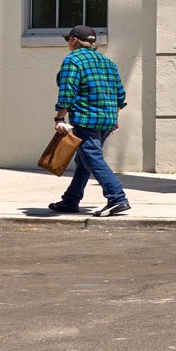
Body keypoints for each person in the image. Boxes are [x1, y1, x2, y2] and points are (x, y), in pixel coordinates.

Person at [47, 24, 130, 217]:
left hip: (86, 119)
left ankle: (117, 197)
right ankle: (70, 200)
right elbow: (120, 96)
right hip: (107, 120)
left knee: (92, 158)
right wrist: (114, 117)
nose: (68, 43)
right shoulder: (107, 62)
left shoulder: (73, 61)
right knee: (84, 160)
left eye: (68, 39)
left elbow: (67, 94)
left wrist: (59, 117)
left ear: (74, 40)